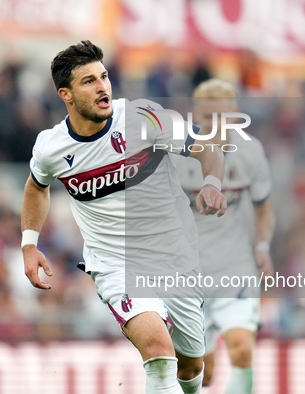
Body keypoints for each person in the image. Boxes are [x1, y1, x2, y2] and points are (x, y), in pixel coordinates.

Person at [21, 41, 227, 394]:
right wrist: (29, 244)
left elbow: (205, 145)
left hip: (174, 255)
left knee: (192, 365)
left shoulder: (142, 118)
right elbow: (36, 187)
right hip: (116, 265)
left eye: (103, 77)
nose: (102, 86)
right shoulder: (52, 147)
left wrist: (211, 182)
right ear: (65, 95)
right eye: (88, 81)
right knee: (159, 353)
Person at [172, 79, 275, 393]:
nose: (215, 126)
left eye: (223, 118)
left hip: (234, 265)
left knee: (243, 348)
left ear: (236, 116)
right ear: (194, 117)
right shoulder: (176, 154)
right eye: (207, 119)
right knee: (203, 371)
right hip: (188, 270)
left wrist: (262, 246)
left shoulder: (250, 152)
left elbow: (264, 209)